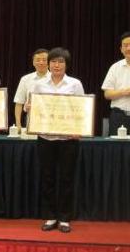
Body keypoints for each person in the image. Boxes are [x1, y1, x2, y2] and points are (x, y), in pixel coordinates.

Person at [26, 47, 84, 233]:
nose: (57, 65)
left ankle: (65, 218)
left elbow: (82, 109)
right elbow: (31, 106)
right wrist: (29, 107)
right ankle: (50, 216)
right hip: (45, 137)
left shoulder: (75, 84)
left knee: (67, 178)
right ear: (48, 64)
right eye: (53, 61)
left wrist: (79, 130)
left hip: (68, 138)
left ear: (66, 65)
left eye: (61, 62)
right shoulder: (39, 85)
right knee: (47, 178)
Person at [13, 49, 49, 129]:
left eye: (44, 60)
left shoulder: (55, 78)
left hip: (51, 121)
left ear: (49, 62)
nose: (41, 62)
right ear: (33, 62)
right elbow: (19, 102)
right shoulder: (25, 79)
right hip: (31, 121)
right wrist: (18, 124)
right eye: (38, 60)